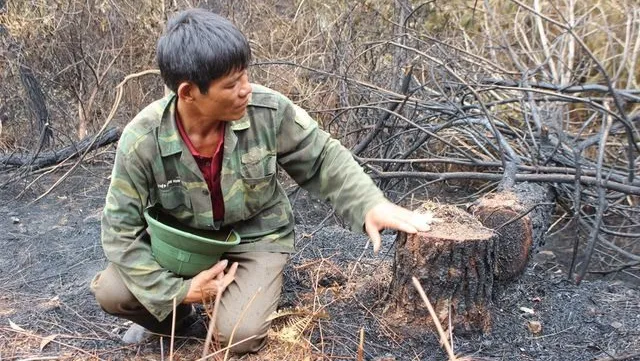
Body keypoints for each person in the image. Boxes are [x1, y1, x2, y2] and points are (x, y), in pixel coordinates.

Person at [90, 8, 437, 355]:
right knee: (113, 293)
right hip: (183, 245)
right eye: (231, 84)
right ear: (188, 93)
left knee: (240, 335)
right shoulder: (142, 139)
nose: (246, 90)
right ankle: (181, 321)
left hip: (255, 237)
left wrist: (369, 205)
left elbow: (321, 157)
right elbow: (120, 229)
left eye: (245, 76)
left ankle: (246, 292)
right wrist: (177, 293)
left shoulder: (267, 110)